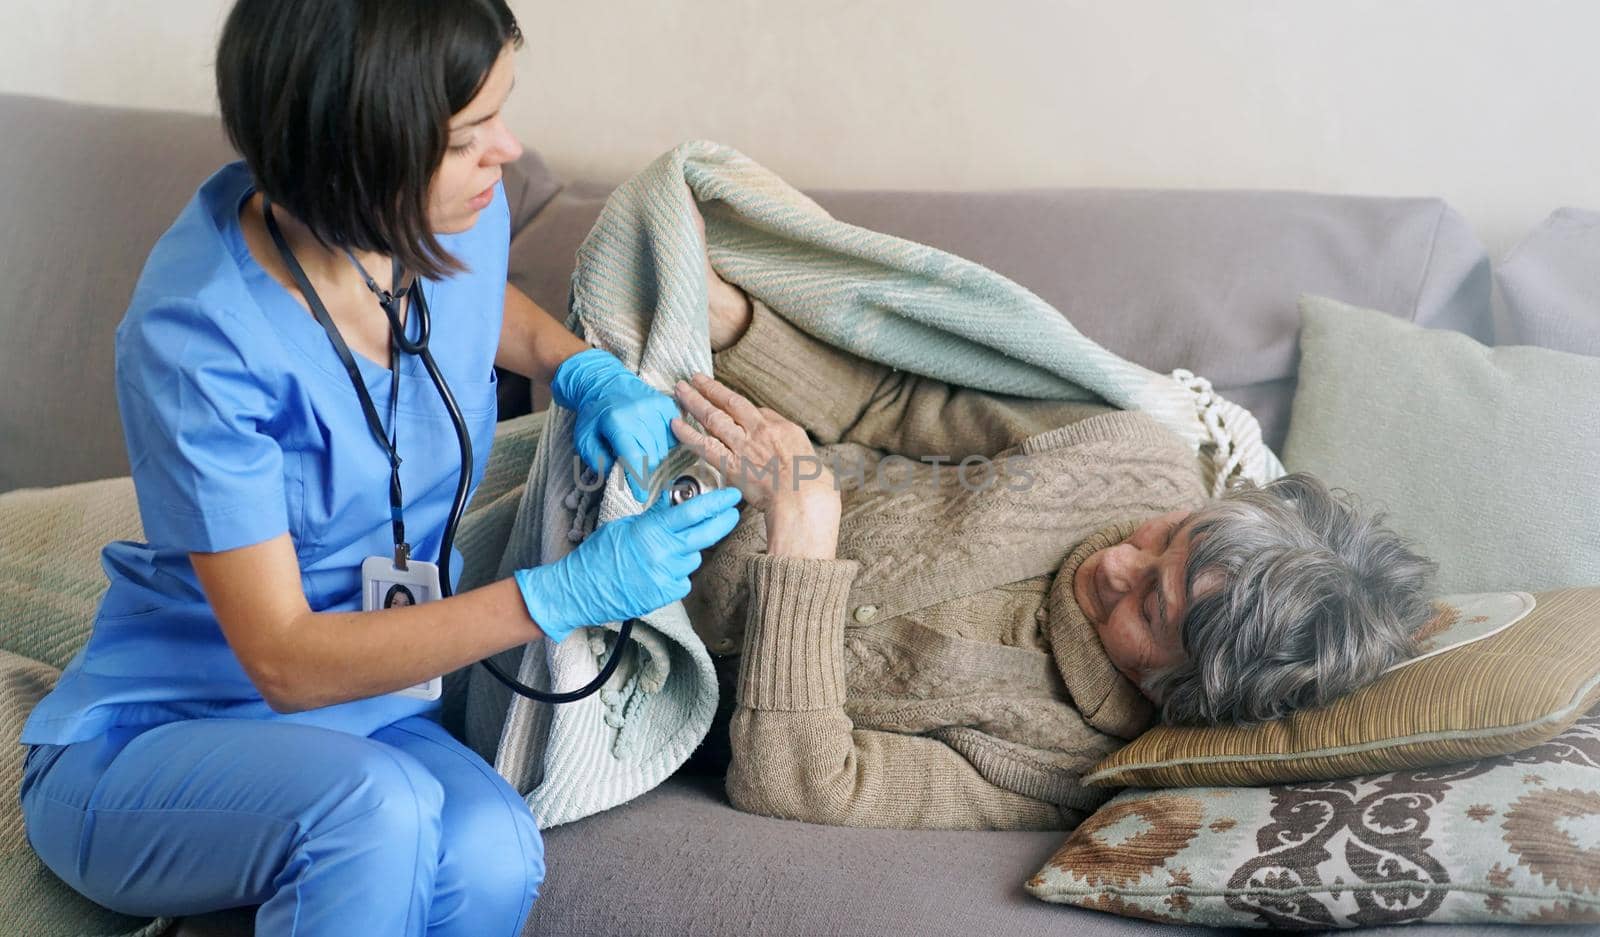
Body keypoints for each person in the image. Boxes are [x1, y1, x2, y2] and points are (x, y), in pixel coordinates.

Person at [16, 1, 742, 934]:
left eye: (501, 114)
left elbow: (484, 307)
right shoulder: (199, 339)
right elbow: (281, 660)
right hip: (166, 735)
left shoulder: (441, 223)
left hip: (367, 716)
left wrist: (579, 370)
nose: (508, 152)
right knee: (371, 815)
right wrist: (559, 594)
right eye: (471, 134)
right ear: (363, 152)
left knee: (492, 847)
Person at [670, 259, 1440, 832]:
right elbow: (888, 402)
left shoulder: (1061, 764)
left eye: (1151, 604)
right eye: (1167, 535)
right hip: (672, 464)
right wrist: (733, 323)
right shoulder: (1134, 458)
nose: (1115, 563)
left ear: (1183, 691)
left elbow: (809, 786)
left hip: (635, 664)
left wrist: (804, 534)